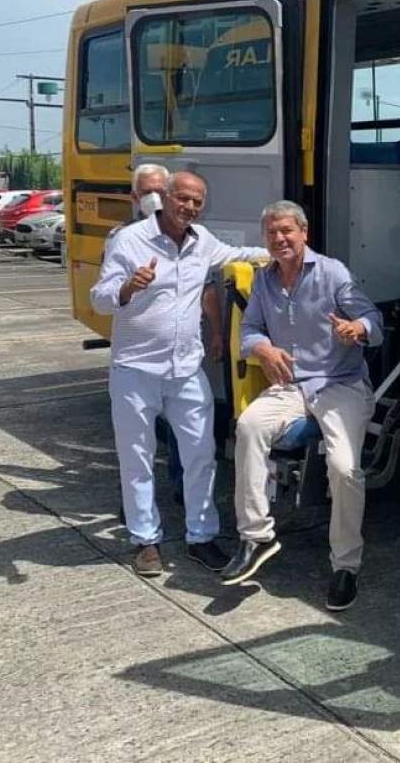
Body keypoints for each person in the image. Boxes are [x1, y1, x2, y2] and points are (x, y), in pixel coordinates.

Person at [90, 170, 268, 577]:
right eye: (182, 198)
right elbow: (98, 299)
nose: (188, 207)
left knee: (200, 455)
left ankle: (201, 537)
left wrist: (283, 249)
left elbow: (240, 257)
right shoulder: (129, 240)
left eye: (197, 201)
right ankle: (146, 541)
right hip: (135, 368)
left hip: (186, 368)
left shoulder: (202, 242)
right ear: (164, 198)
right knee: (136, 459)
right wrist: (128, 288)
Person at [221, 200, 382, 612]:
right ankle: (256, 536)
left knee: (345, 468)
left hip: (339, 383)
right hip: (292, 386)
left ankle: (345, 565)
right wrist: (263, 347)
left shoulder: (332, 272)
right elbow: (251, 329)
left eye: (287, 231)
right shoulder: (264, 281)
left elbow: (373, 318)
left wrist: (356, 328)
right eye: (272, 233)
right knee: (249, 427)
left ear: (304, 233)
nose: (280, 239)